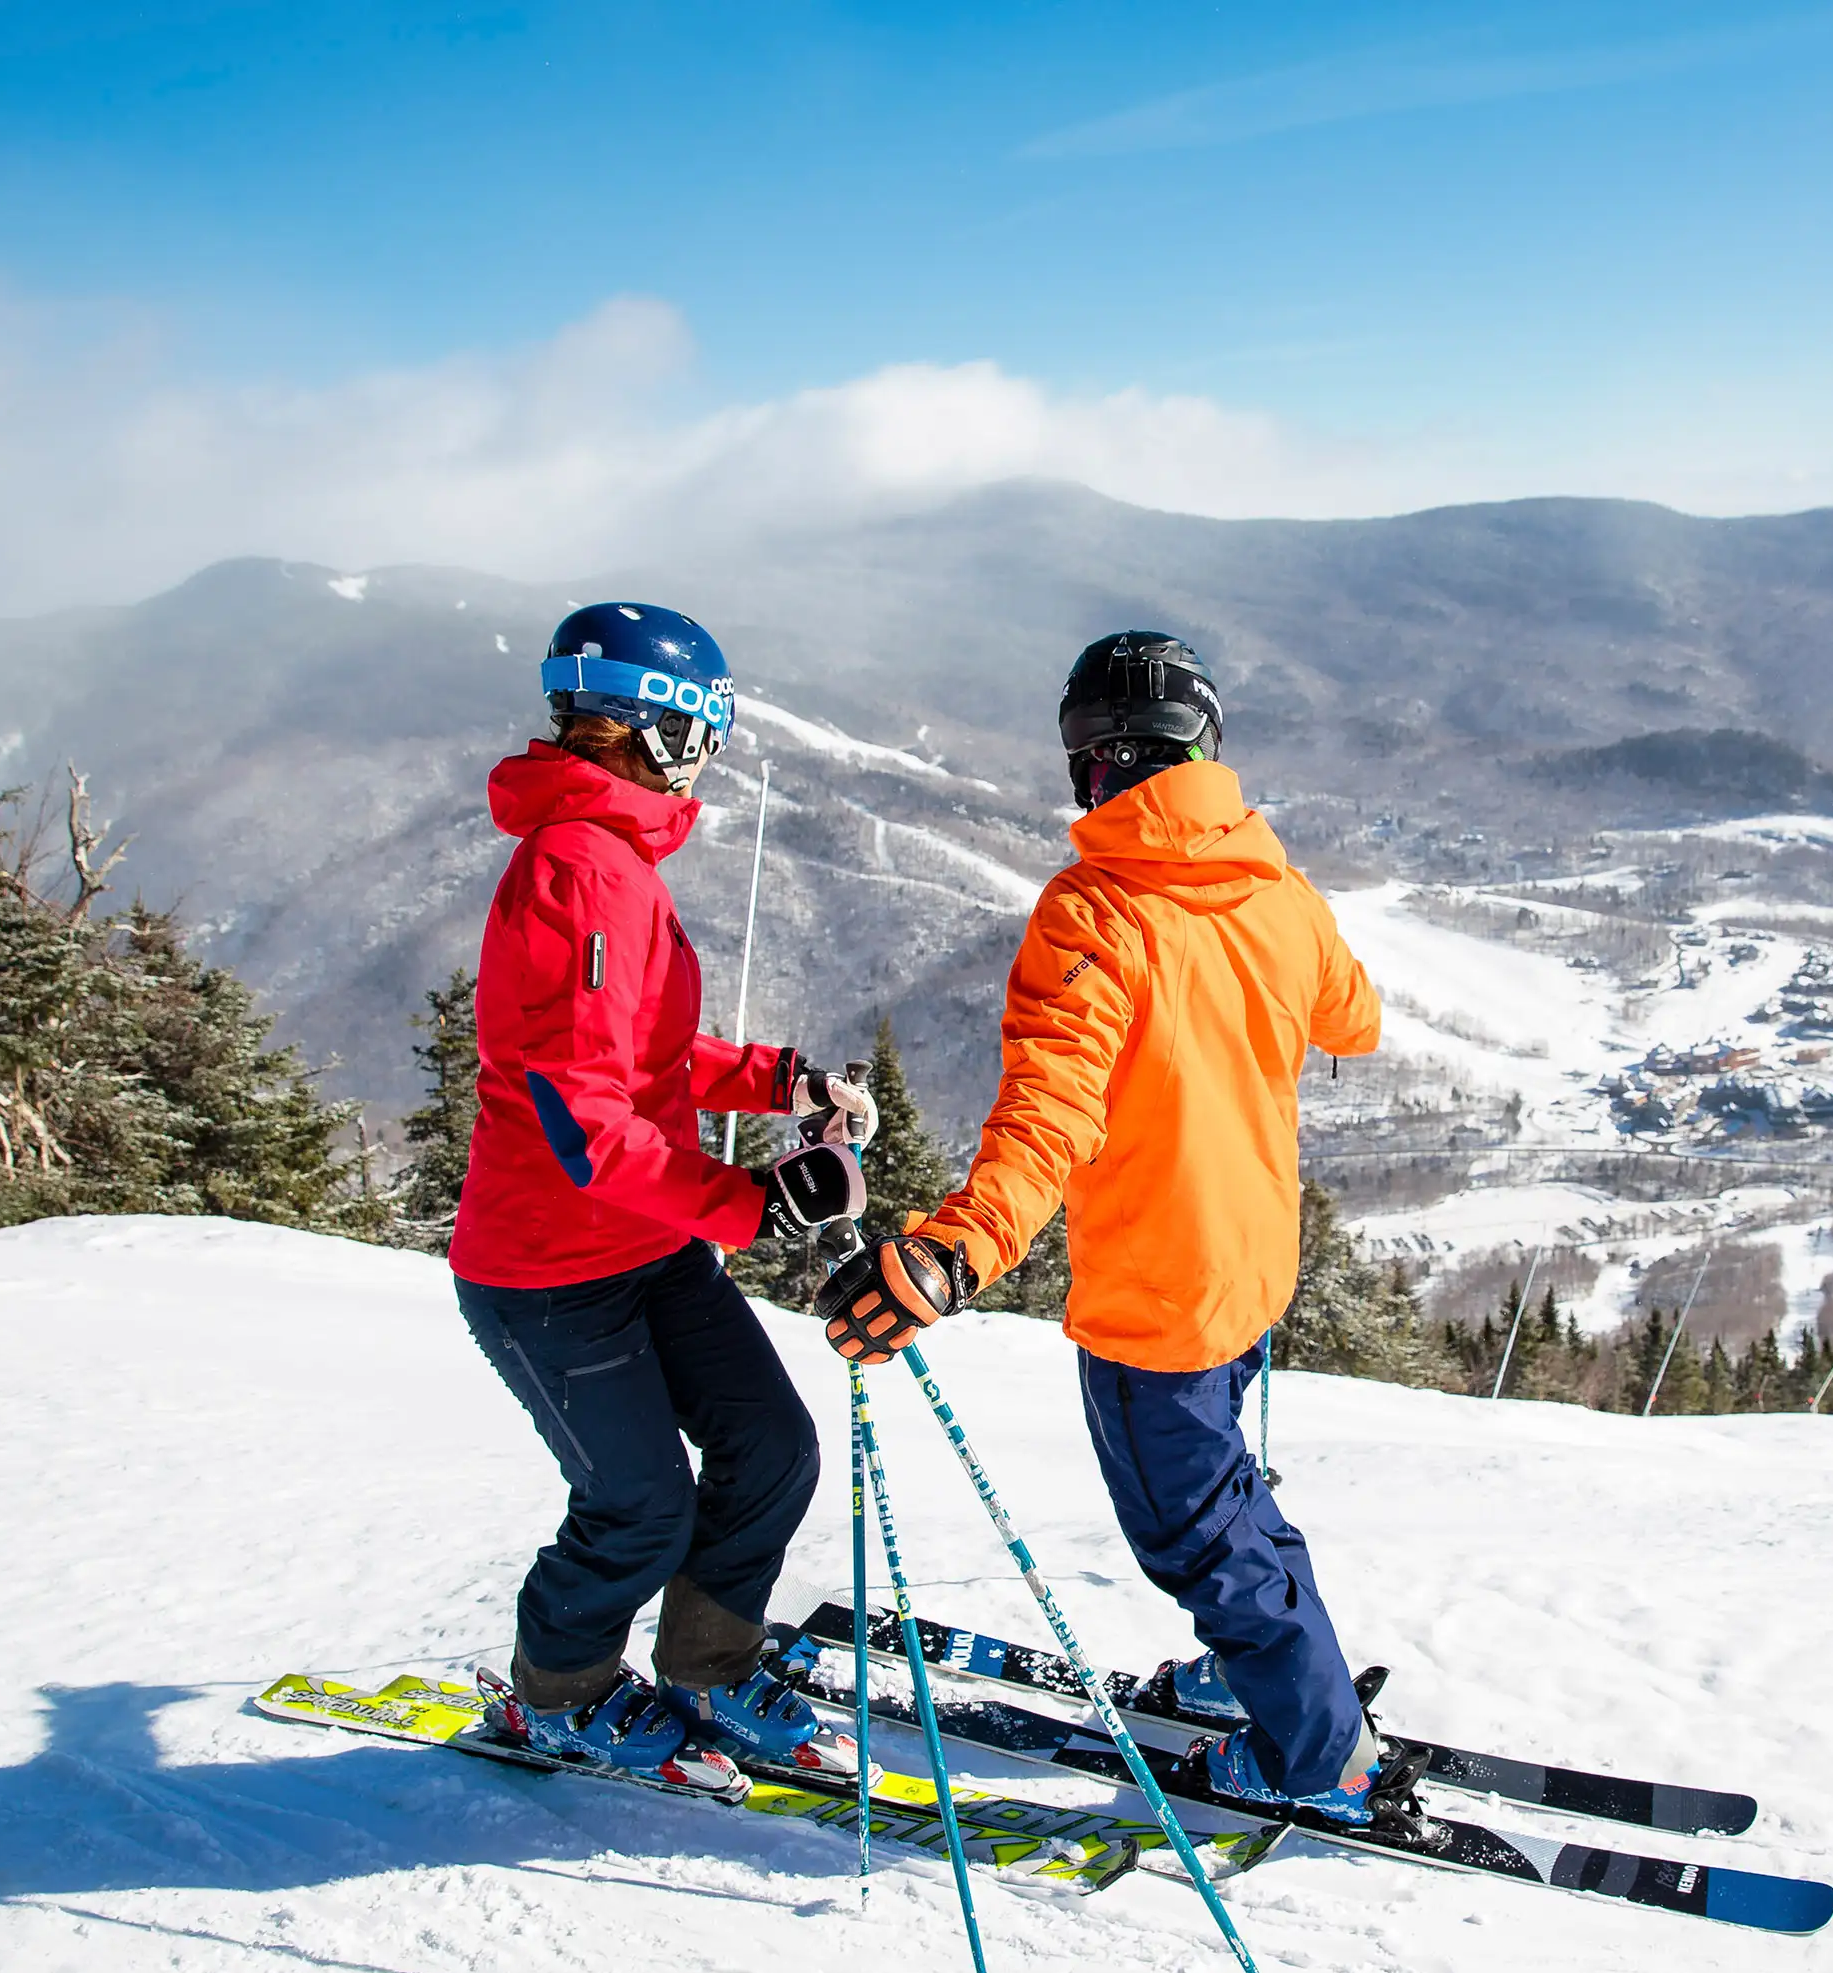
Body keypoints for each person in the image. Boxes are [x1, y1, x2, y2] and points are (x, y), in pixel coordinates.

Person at [814, 631, 1399, 1827]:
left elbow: (1051, 1111)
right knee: (1227, 1489)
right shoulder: (1273, 886)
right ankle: (1276, 1683)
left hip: (1156, 1296)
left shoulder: (1097, 911)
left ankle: (1314, 1751)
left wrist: (955, 1246)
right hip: (1249, 1263)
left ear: (1093, 766)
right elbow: (1357, 1017)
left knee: (1198, 1535)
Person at [451, 600, 875, 1787]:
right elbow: (582, 1124)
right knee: (637, 1502)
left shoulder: (611, 857)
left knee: (771, 1442)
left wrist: (777, 1081)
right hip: (549, 1271)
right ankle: (561, 1694)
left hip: (638, 1242)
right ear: (667, 729)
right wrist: (755, 1203)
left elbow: (643, 1052)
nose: (711, 754)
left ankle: (708, 1663)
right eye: (708, 730)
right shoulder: (580, 871)